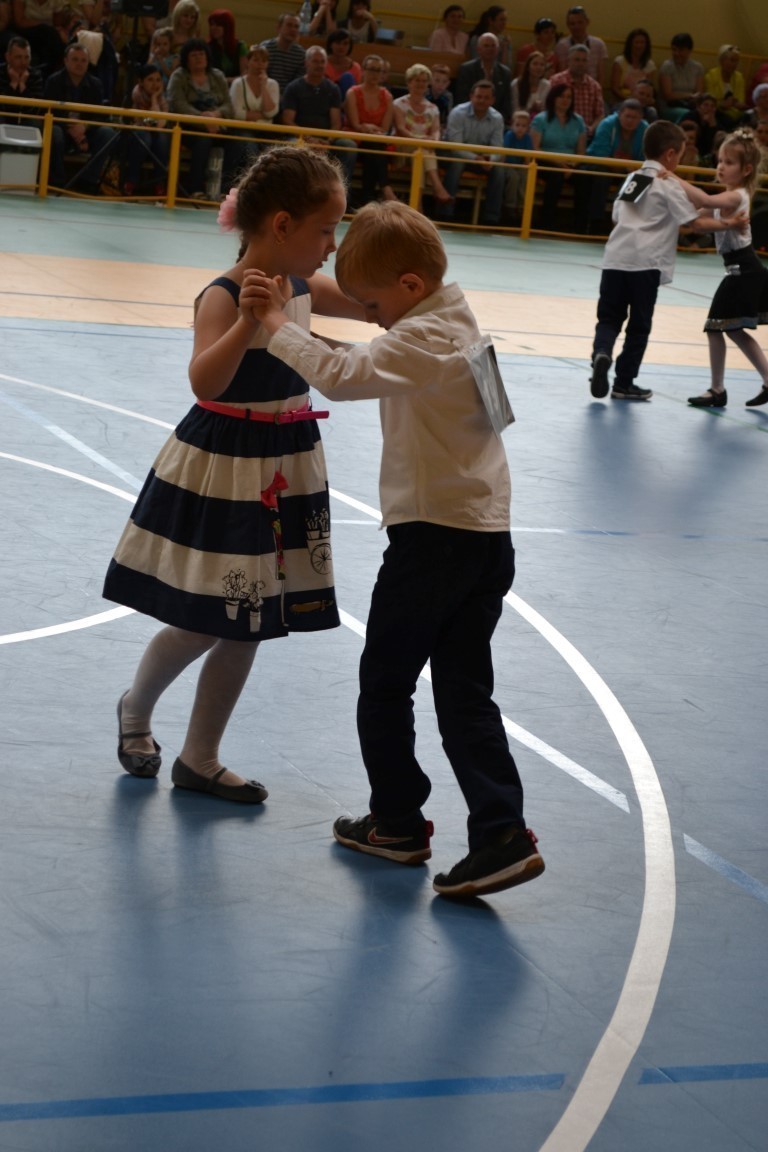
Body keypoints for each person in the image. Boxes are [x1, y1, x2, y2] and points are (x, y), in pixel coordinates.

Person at [246, 199, 545, 899]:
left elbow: (347, 376)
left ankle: (396, 821)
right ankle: (502, 831)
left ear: (410, 287)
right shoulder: (457, 321)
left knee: (385, 683)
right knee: (467, 691)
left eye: (377, 302)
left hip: (433, 540)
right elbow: (377, 356)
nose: (374, 315)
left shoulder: (418, 341)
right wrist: (303, 310)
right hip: (485, 534)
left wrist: (271, 325)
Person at [105, 145, 364, 803]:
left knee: (255, 618)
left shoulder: (305, 288)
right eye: (325, 230)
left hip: (287, 459)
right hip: (228, 466)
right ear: (281, 226)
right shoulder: (224, 294)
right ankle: (136, 711)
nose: (332, 245)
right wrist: (249, 323)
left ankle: (200, 756)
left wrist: (417, 289)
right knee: (205, 617)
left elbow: (373, 304)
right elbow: (203, 381)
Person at [588, 119, 737, 403]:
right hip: (646, 263)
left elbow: (617, 216)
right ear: (670, 154)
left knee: (608, 318)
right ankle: (624, 382)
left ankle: (601, 352)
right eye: (679, 155)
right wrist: (730, 223)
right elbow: (694, 223)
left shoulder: (633, 178)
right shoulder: (667, 184)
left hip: (615, 259)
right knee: (639, 325)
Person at [669, 129, 768, 409]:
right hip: (740, 270)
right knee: (733, 331)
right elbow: (694, 215)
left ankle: (717, 389)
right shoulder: (728, 197)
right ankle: (735, 385)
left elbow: (705, 201)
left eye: (729, 162)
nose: (721, 166)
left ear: (746, 169)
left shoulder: (735, 197)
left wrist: (672, 176)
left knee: (715, 327)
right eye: (720, 160)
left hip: (744, 271)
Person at [167, 37, 243, 199]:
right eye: (194, 55)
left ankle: (226, 190)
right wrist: (203, 119)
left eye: (201, 54)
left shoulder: (217, 76)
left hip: (217, 124)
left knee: (238, 141)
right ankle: (195, 189)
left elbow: (229, 106)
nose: (199, 58)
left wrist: (215, 115)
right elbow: (178, 104)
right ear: (186, 59)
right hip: (188, 126)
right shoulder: (178, 76)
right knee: (203, 140)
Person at [43, 40, 116, 193]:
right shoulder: (53, 81)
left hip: (85, 129)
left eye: (83, 60)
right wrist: (69, 127)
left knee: (108, 133)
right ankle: (57, 181)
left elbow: (100, 116)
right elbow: (48, 112)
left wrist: (85, 126)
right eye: (75, 59)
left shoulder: (96, 84)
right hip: (61, 127)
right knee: (54, 132)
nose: (79, 64)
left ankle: (89, 180)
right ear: (65, 61)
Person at [281, 46, 356, 189]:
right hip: (300, 137)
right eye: (315, 61)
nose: (320, 65)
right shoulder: (293, 88)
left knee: (349, 146)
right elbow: (287, 120)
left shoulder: (333, 89)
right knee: (292, 145)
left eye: (322, 61)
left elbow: (336, 122)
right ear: (306, 63)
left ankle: (341, 192)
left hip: (325, 138)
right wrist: (308, 139)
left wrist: (327, 141)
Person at [438, 78, 505, 226]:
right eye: (479, 96)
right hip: (455, 154)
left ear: (493, 100)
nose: (481, 100)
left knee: (499, 169)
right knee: (457, 164)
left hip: (481, 159)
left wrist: (491, 160)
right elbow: (455, 146)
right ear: (471, 96)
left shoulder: (497, 118)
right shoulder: (457, 113)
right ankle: (446, 213)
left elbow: (497, 147)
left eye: (486, 97)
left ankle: (491, 219)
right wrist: (476, 158)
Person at [392, 61, 452, 206]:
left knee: (421, 154)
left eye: (424, 81)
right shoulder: (398, 104)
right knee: (423, 151)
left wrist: (434, 140)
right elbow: (400, 129)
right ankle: (437, 187)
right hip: (402, 148)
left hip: (421, 152)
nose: (421, 84)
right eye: (417, 80)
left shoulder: (433, 108)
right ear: (409, 82)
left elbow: (436, 130)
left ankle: (417, 205)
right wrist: (421, 141)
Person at [530, 81, 587, 231]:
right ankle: (546, 223)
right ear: (553, 98)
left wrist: (572, 165)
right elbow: (535, 148)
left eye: (569, 97)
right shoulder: (540, 119)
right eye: (561, 96)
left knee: (585, 177)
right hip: (546, 161)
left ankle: (580, 227)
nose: (565, 100)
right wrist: (559, 163)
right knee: (556, 177)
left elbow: (581, 151)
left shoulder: (578, 121)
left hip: (571, 163)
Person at [586, 98, 647, 230]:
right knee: (601, 176)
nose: (630, 121)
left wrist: (631, 169)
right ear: (619, 114)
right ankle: (594, 224)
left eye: (635, 118)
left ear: (641, 118)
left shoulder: (646, 130)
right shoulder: (607, 125)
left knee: (640, 179)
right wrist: (625, 166)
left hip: (630, 171)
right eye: (627, 116)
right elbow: (600, 155)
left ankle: (623, 225)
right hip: (604, 166)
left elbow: (646, 159)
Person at [344, 52, 396, 205]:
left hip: (377, 139)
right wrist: (366, 128)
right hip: (356, 136)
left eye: (379, 70)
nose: (375, 74)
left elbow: (385, 128)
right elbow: (355, 124)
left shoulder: (387, 96)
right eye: (372, 69)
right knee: (374, 146)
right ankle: (383, 189)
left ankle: (369, 197)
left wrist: (372, 129)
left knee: (375, 146)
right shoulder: (353, 93)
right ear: (364, 70)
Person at [124, 62, 169, 197]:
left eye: (158, 80)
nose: (155, 84)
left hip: (154, 140)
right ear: (141, 82)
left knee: (161, 138)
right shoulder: (134, 97)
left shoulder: (162, 100)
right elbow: (138, 123)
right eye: (150, 80)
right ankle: (131, 181)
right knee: (144, 136)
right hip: (133, 138)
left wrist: (155, 99)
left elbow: (159, 124)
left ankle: (159, 184)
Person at [229, 45, 278, 155]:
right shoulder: (238, 84)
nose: (260, 64)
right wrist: (262, 115)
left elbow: (271, 113)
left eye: (264, 61)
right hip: (242, 130)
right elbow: (236, 114)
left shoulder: (273, 84)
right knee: (251, 148)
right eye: (256, 60)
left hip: (266, 132)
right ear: (248, 61)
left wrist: (263, 86)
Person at [454, 31, 511, 125]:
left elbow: (506, 104)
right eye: (486, 46)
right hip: (468, 120)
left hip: (495, 122)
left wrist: (497, 120)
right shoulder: (466, 69)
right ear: (478, 49)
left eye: (493, 46)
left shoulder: (505, 73)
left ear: (498, 49)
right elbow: (461, 98)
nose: (490, 49)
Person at [549, 42, 604, 138]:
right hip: (558, 133)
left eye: (584, 60)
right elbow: (548, 108)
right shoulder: (555, 81)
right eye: (577, 60)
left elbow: (600, 115)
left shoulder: (595, 86)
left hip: (586, 135)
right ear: (568, 61)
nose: (581, 64)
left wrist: (591, 128)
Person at [554, 5, 606, 87]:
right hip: (568, 90)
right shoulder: (562, 45)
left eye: (580, 22)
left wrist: (597, 91)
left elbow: (601, 74)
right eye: (572, 24)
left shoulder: (599, 44)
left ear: (587, 22)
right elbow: (561, 72)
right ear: (568, 25)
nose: (576, 26)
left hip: (592, 89)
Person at [657, 33, 704, 119]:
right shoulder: (667, 66)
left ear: (689, 51)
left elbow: (699, 93)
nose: (676, 53)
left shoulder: (697, 68)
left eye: (681, 50)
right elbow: (668, 95)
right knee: (689, 114)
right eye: (674, 50)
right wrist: (689, 95)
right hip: (670, 107)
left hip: (690, 105)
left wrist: (694, 98)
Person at [0, 33, 43, 124]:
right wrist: (13, 84)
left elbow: (35, 110)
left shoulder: (35, 75)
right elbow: (3, 108)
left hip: (26, 121)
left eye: (26, 57)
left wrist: (23, 86)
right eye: (18, 57)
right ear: (8, 57)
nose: (23, 62)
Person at [610, 27, 655, 108]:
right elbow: (615, 88)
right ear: (630, 44)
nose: (639, 45)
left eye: (642, 43)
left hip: (642, 103)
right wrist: (630, 100)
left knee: (652, 112)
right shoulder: (620, 61)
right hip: (622, 101)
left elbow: (649, 89)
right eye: (636, 42)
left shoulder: (650, 65)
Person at [260, 12, 305, 91]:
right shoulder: (266, 48)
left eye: (296, 27)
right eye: (289, 25)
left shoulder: (300, 54)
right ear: (278, 28)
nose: (293, 30)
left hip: (289, 97)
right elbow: (259, 76)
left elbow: (298, 83)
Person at [705, 45, 747, 128]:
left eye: (736, 61)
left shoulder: (739, 77)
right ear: (721, 61)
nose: (734, 64)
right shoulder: (711, 76)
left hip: (735, 113)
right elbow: (709, 100)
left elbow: (740, 101)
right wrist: (722, 105)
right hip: (715, 112)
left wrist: (734, 104)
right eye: (732, 60)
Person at [502, 108, 533, 220]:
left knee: (524, 177)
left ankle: (521, 207)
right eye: (518, 125)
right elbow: (504, 154)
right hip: (508, 165)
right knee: (514, 177)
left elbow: (527, 157)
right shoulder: (509, 135)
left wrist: (527, 168)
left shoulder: (527, 138)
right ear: (512, 125)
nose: (520, 128)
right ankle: (509, 206)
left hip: (520, 166)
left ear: (528, 128)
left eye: (524, 126)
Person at [467, 6, 512, 71]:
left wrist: (505, 49)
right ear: (491, 20)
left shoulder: (505, 40)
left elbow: (508, 68)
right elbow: (476, 62)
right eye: (501, 20)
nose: (504, 23)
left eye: (505, 20)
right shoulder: (477, 39)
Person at [207, 8, 247, 80]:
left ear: (227, 27)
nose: (213, 28)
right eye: (212, 24)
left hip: (235, 87)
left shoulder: (240, 46)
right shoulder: (207, 47)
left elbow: (244, 75)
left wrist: (226, 81)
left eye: (218, 25)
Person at [511, 49, 549, 116]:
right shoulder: (516, 84)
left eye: (542, 65)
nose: (538, 67)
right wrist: (531, 109)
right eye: (535, 64)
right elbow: (514, 109)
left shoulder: (547, 85)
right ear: (528, 66)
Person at [324, 28, 361, 95]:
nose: (341, 47)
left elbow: (357, 93)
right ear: (330, 45)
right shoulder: (322, 63)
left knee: (347, 77)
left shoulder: (355, 67)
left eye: (345, 43)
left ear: (350, 46)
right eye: (338, 43)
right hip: (325, 100)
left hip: (346, 102)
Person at [426, 62, 452, 131]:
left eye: (444, 82)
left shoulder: (448, 97)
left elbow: (448, 116)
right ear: (430, 80)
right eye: (437, 81)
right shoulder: (425, 94)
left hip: (441, 127)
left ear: (448, 83)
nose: (440, 85)